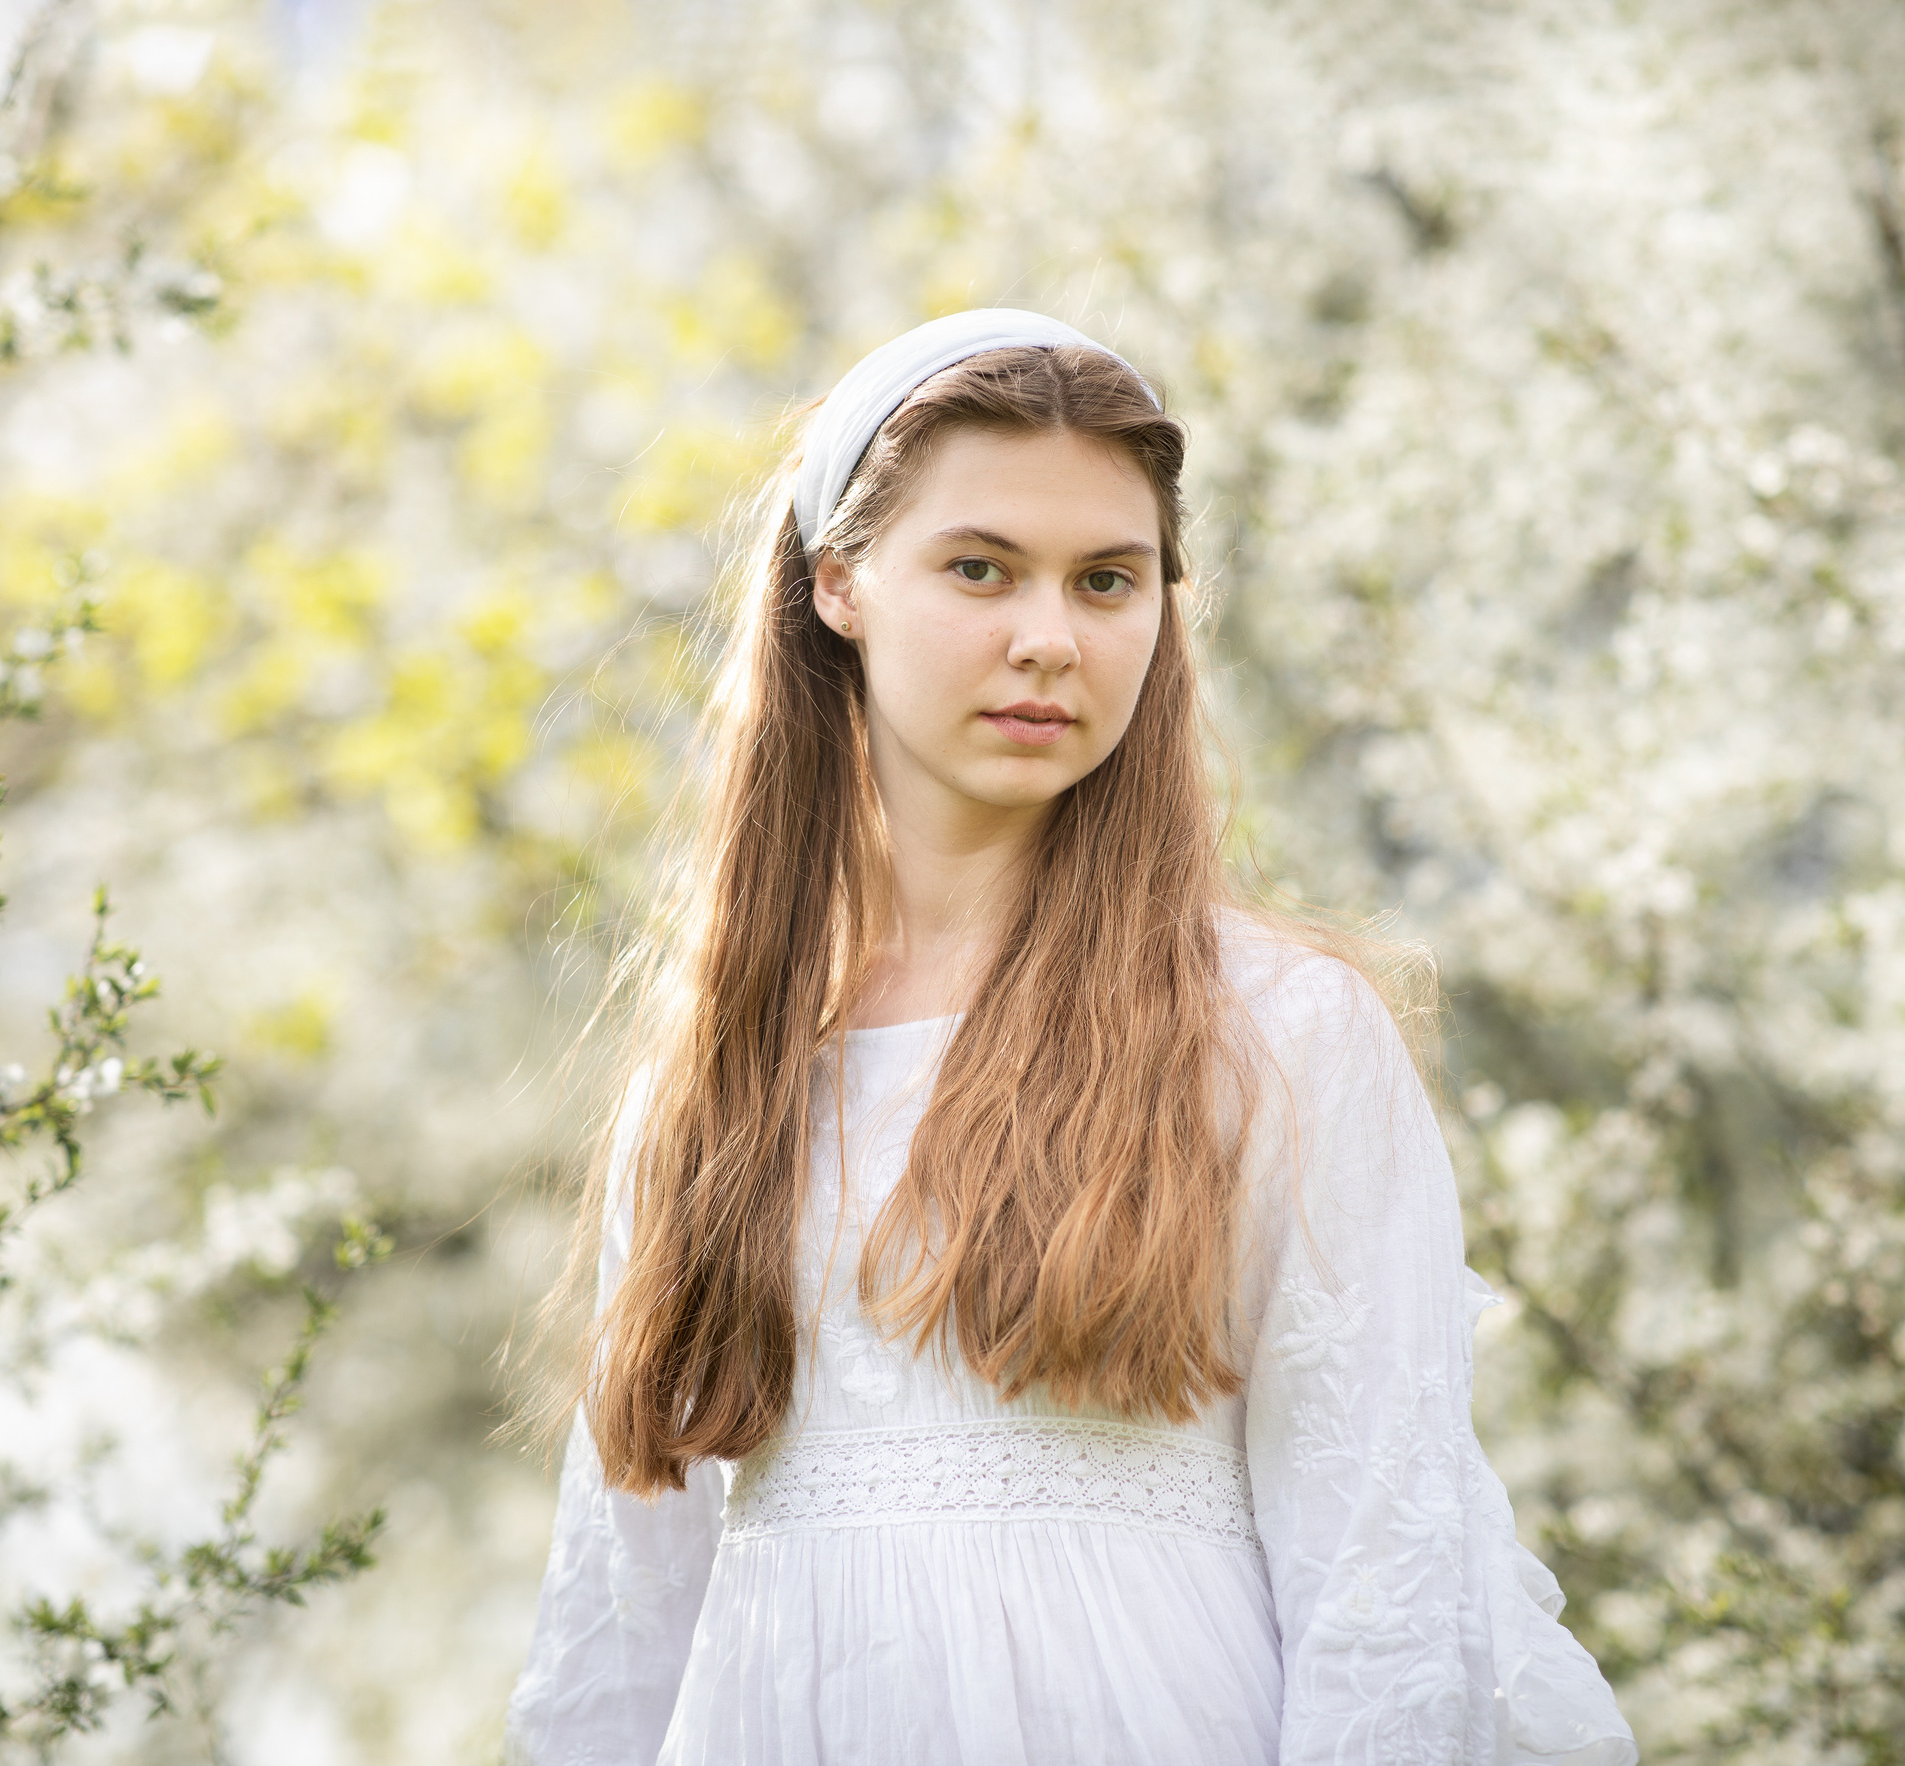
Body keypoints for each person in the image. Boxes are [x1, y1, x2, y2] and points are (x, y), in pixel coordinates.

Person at [506, 309, 1637, 1765]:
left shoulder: (1278, 1031)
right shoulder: (723, 1073)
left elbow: (1386, 1577)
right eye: (980, 568)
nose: (1051, 637)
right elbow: (616, 1604)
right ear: (840, 582)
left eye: (1109, 579)